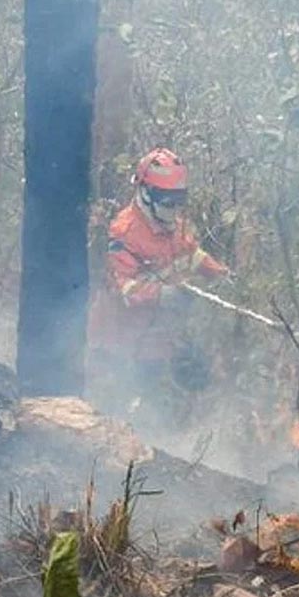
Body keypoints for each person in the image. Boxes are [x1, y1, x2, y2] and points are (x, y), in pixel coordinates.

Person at [88, 147, 230, 421]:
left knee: (167, 402)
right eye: (168, 200)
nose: (173, 208)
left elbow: (192, 254)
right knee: (118, 412)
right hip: (119, 343)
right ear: (145, 193)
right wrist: (164, 295)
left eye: (179, 200)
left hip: (156, 341)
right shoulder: (123, 234)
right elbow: (125, 290)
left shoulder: (173, 226)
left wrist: (219, 274)